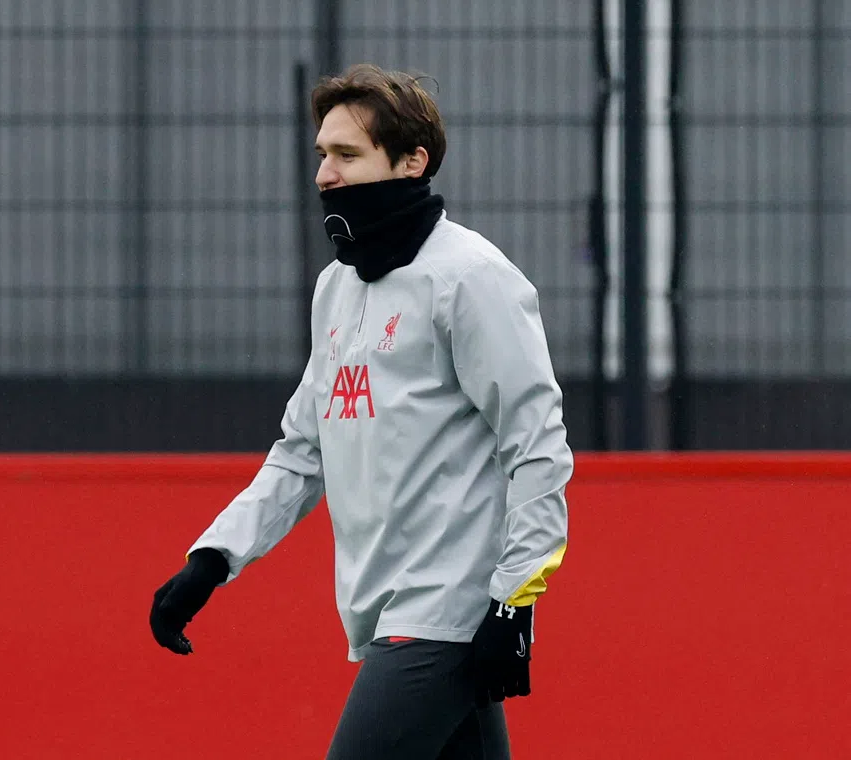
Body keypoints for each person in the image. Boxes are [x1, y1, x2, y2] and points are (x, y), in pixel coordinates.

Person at [149, 63, 573, 760]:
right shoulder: (336, 288)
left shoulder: (472, 278)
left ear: (414, 161)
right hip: (384, 607)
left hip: (449, 610)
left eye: (347, 155)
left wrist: (513, 601)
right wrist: (212, 558)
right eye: (322, 154)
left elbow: (536, 446)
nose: (324, 174)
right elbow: (301, 451)